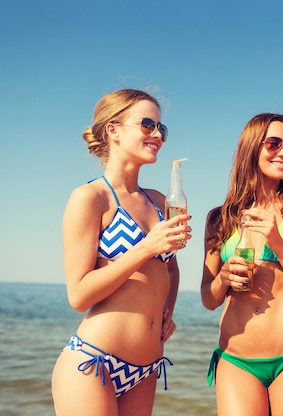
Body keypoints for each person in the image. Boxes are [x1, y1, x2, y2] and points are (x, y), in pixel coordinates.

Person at [51, 89, 191, 416]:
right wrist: (145, 247)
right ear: (113, 130)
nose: (157, 134)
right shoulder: (91, 198)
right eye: (146, 125)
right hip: (94, 363)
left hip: (146, 369)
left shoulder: (160, 201)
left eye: (161, 128)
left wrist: (166, 311)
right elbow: (79, 295)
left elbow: (170, 268)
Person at [201, 113, 283, 416]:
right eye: (274, 143)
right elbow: (208, 298)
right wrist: (222, 278)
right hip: (236, 358)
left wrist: (278, 244)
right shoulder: (219, 218)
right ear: (251, 148)